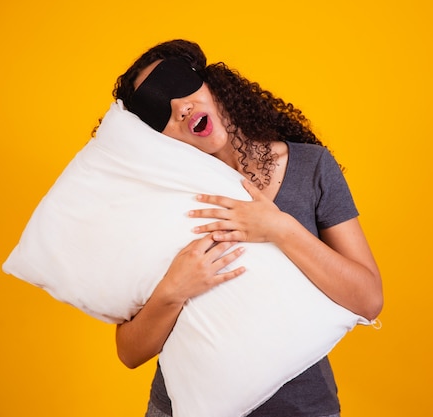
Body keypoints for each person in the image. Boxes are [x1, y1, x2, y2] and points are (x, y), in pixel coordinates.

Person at [113, 39, 383, 417]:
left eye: (175, 84)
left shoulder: (312, 167)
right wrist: (173, 290)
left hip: (302, 408)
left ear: (210, 82)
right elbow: (129, 351)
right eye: (157, 109)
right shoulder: (161, 200)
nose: (179, 107)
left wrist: (280, 229)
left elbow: (368, 300)